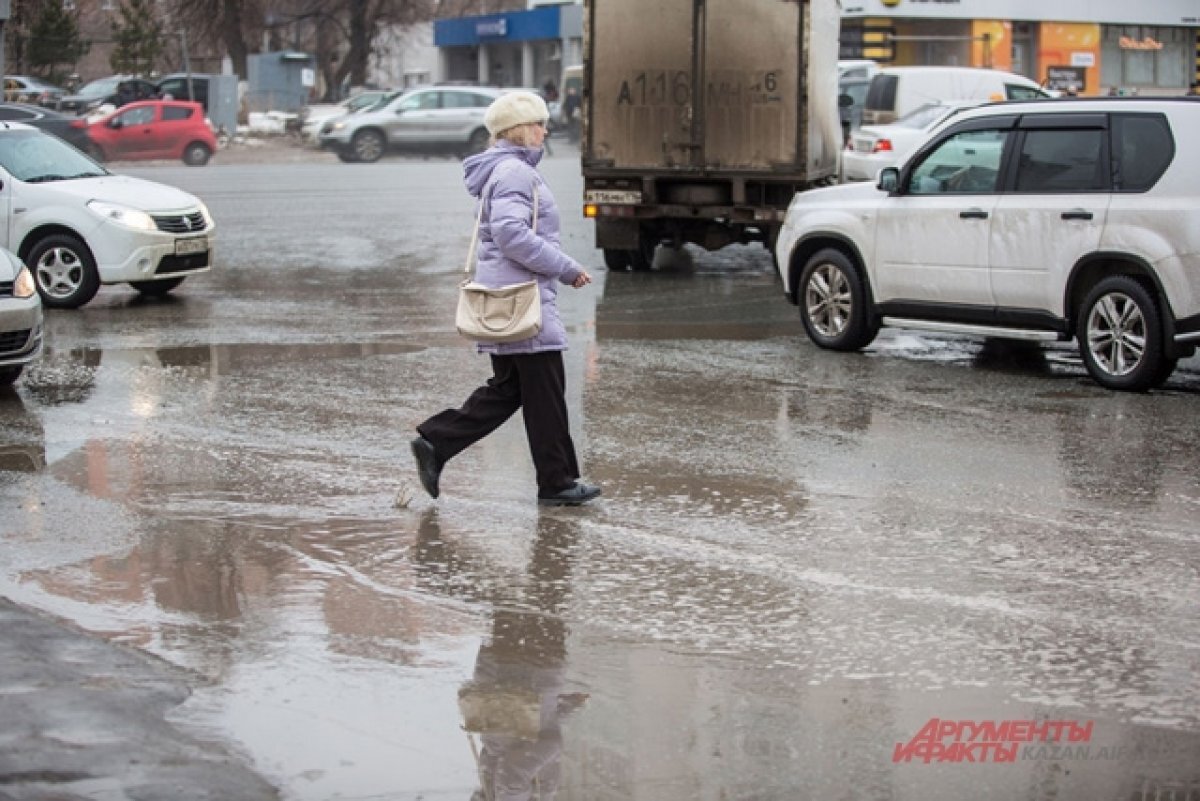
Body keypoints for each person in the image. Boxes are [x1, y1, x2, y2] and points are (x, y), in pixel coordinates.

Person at [411, 91, 601, 507]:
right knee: (545, 393)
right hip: (522, 299)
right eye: (538, 124)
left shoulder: (503, 169)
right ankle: (557, 482)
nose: (545, 131)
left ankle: (437, 442)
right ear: (517, 129)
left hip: (508, 296)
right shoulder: (514, 171)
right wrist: (566, 268)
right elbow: (511, 234)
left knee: (510, 389)